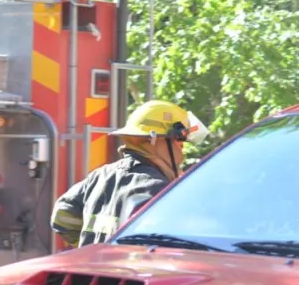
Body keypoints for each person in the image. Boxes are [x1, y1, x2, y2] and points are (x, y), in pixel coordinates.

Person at [50, 100, 208, 248]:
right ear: (154, 140)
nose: (182, 148)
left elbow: (62, 216)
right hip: (131, 276)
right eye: (179, 140)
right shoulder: (158, 189)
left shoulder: (99, 176)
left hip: (93, 274)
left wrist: (92, 243)